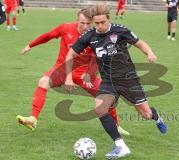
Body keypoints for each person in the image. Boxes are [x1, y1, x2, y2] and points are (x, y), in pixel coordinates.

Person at [65, 4, 167, 159]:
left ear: (108, 19)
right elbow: (70, 54)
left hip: (128, 79)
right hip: (108, 81)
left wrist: (150, 53)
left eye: (103, 22)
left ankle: (156, 117)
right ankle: (121, 146)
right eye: (96, 23)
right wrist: (68, 77)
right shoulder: (89, 36)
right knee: (100, 109)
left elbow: (140, 43)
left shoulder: (120, 30)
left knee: (145, 114)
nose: (100, 26)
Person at [16, 8, 129, 136]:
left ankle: (116, 126)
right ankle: (33, 119)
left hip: (83, 73)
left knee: (107, 96)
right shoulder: (65, 28)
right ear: (77, 20)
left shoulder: (96, 36)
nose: (85, 26)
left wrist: (88, 75)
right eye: (82, 23)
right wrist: (30, 45)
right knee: (43, 82)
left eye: (88, 23)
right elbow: (48, 36)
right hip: (61, 69)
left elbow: (95, 60)